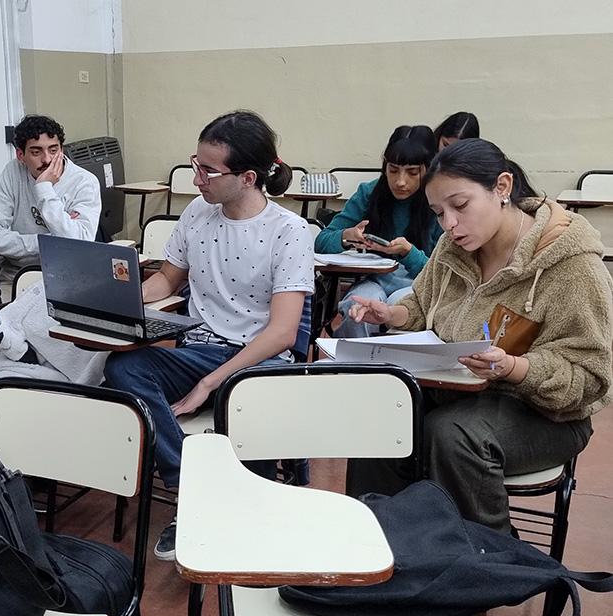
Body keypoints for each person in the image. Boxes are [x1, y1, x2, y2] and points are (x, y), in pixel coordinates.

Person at [346, 138, 612, 533]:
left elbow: (591, 376)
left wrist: (515, 367)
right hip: (459, 393)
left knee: (451, 434)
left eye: (460, 205)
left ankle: (486, 555)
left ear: (502, 188)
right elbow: (423, 306)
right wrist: (393, 313)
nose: (449, 224)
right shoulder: (451, 248)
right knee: (382, 413)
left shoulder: (570, 265)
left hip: (545, 414)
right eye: (438, 213)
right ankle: (384, 540)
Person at [104, 111, 314, 561]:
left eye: (208, 170)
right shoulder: (199, 213)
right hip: (200, 349)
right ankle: (191, 489)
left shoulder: (290, 232)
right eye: (194, 164)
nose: (195, 179)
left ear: (248, 177)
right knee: (122, 366)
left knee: (252, 401)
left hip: (258, 361)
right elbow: (167, 280)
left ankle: (246, 511)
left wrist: (210, 382)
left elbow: (281, 334)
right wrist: (118, 300)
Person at [315, 125, 442, 337]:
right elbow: (321, 241)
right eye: (393, 170)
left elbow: (443, 274)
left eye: (412, 172)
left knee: (397, 305)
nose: (401, 181)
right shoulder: (370, 192)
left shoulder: (439, 200)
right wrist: (346, 236)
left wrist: (408, 253)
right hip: (375, 280)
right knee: (357, 308)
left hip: (418, 285)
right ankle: (351, 368)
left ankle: (388, 368)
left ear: (428, 169)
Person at [0, 114, 101, 299]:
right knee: (0, 322)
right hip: (15, 278)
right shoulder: (12, 172)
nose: (47, 160)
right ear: (21, 155)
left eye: (54, 150)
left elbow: (79, 242)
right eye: (36, 152)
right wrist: (47, 241)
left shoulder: (84, 181)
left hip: (67, 279)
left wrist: (44, 188)